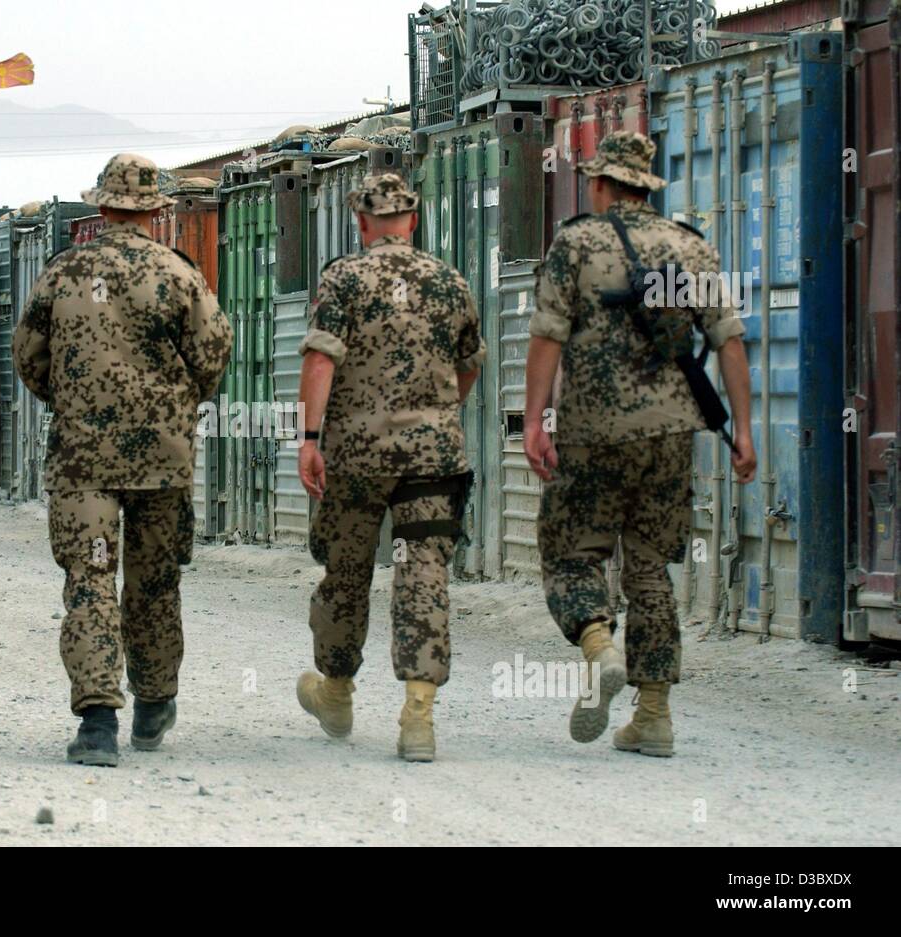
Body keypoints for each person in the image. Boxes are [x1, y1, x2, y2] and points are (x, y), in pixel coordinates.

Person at [524, 131, 756, 757]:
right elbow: (729, 341)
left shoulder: (576, 242)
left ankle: (599, 646)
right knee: (650, 567)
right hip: (670, 434)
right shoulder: (690, 247)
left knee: (571, 552)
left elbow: (548, 335)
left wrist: (533, 422)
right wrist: (745, 434)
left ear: (601, 185)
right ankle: (653, 716)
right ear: (648, 186)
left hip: (592, 433)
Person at [15, 153, 232, 767]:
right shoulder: (180, 274)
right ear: (156, 208)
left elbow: (28, 354)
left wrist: (69, 398)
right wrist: (176, 401)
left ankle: (97, 724)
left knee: (89, 581)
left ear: (101, 204)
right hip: (162, 457)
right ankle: (154, 703)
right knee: (155, 582)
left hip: (83, 458)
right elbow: (213, 354)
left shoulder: (63, 272)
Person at [295, 173, 483, 762]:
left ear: (361, 223)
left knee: (346, 573)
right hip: (432, 458)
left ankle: (337, 691)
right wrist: (438, 414)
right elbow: (469, 365)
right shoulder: (449, 282)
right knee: (424, 574)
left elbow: (321, 359)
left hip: (356, 455)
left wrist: (307, 437)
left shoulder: (343, 278)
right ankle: (418, 719)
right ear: (414, 221)